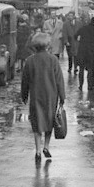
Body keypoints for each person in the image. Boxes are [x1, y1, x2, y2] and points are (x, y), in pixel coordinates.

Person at [21, 32, 65, 164]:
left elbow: (25, 80)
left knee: (37, 122)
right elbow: (59, 81)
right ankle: (46, 146)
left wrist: (24, 95)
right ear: (47, 45)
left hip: (36, 95)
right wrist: (62, 97)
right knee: (49, 121)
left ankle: (38, 150)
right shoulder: (53, 60)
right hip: (51, 95)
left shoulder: (30, 61)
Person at [76, 16, 94, 91]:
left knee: (81, 69)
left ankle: (80, 85)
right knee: (90, 69)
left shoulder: (83, 28)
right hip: (91, 51)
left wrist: (80, 40)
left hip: (82, 51)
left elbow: (75, 36)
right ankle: (90, 86)